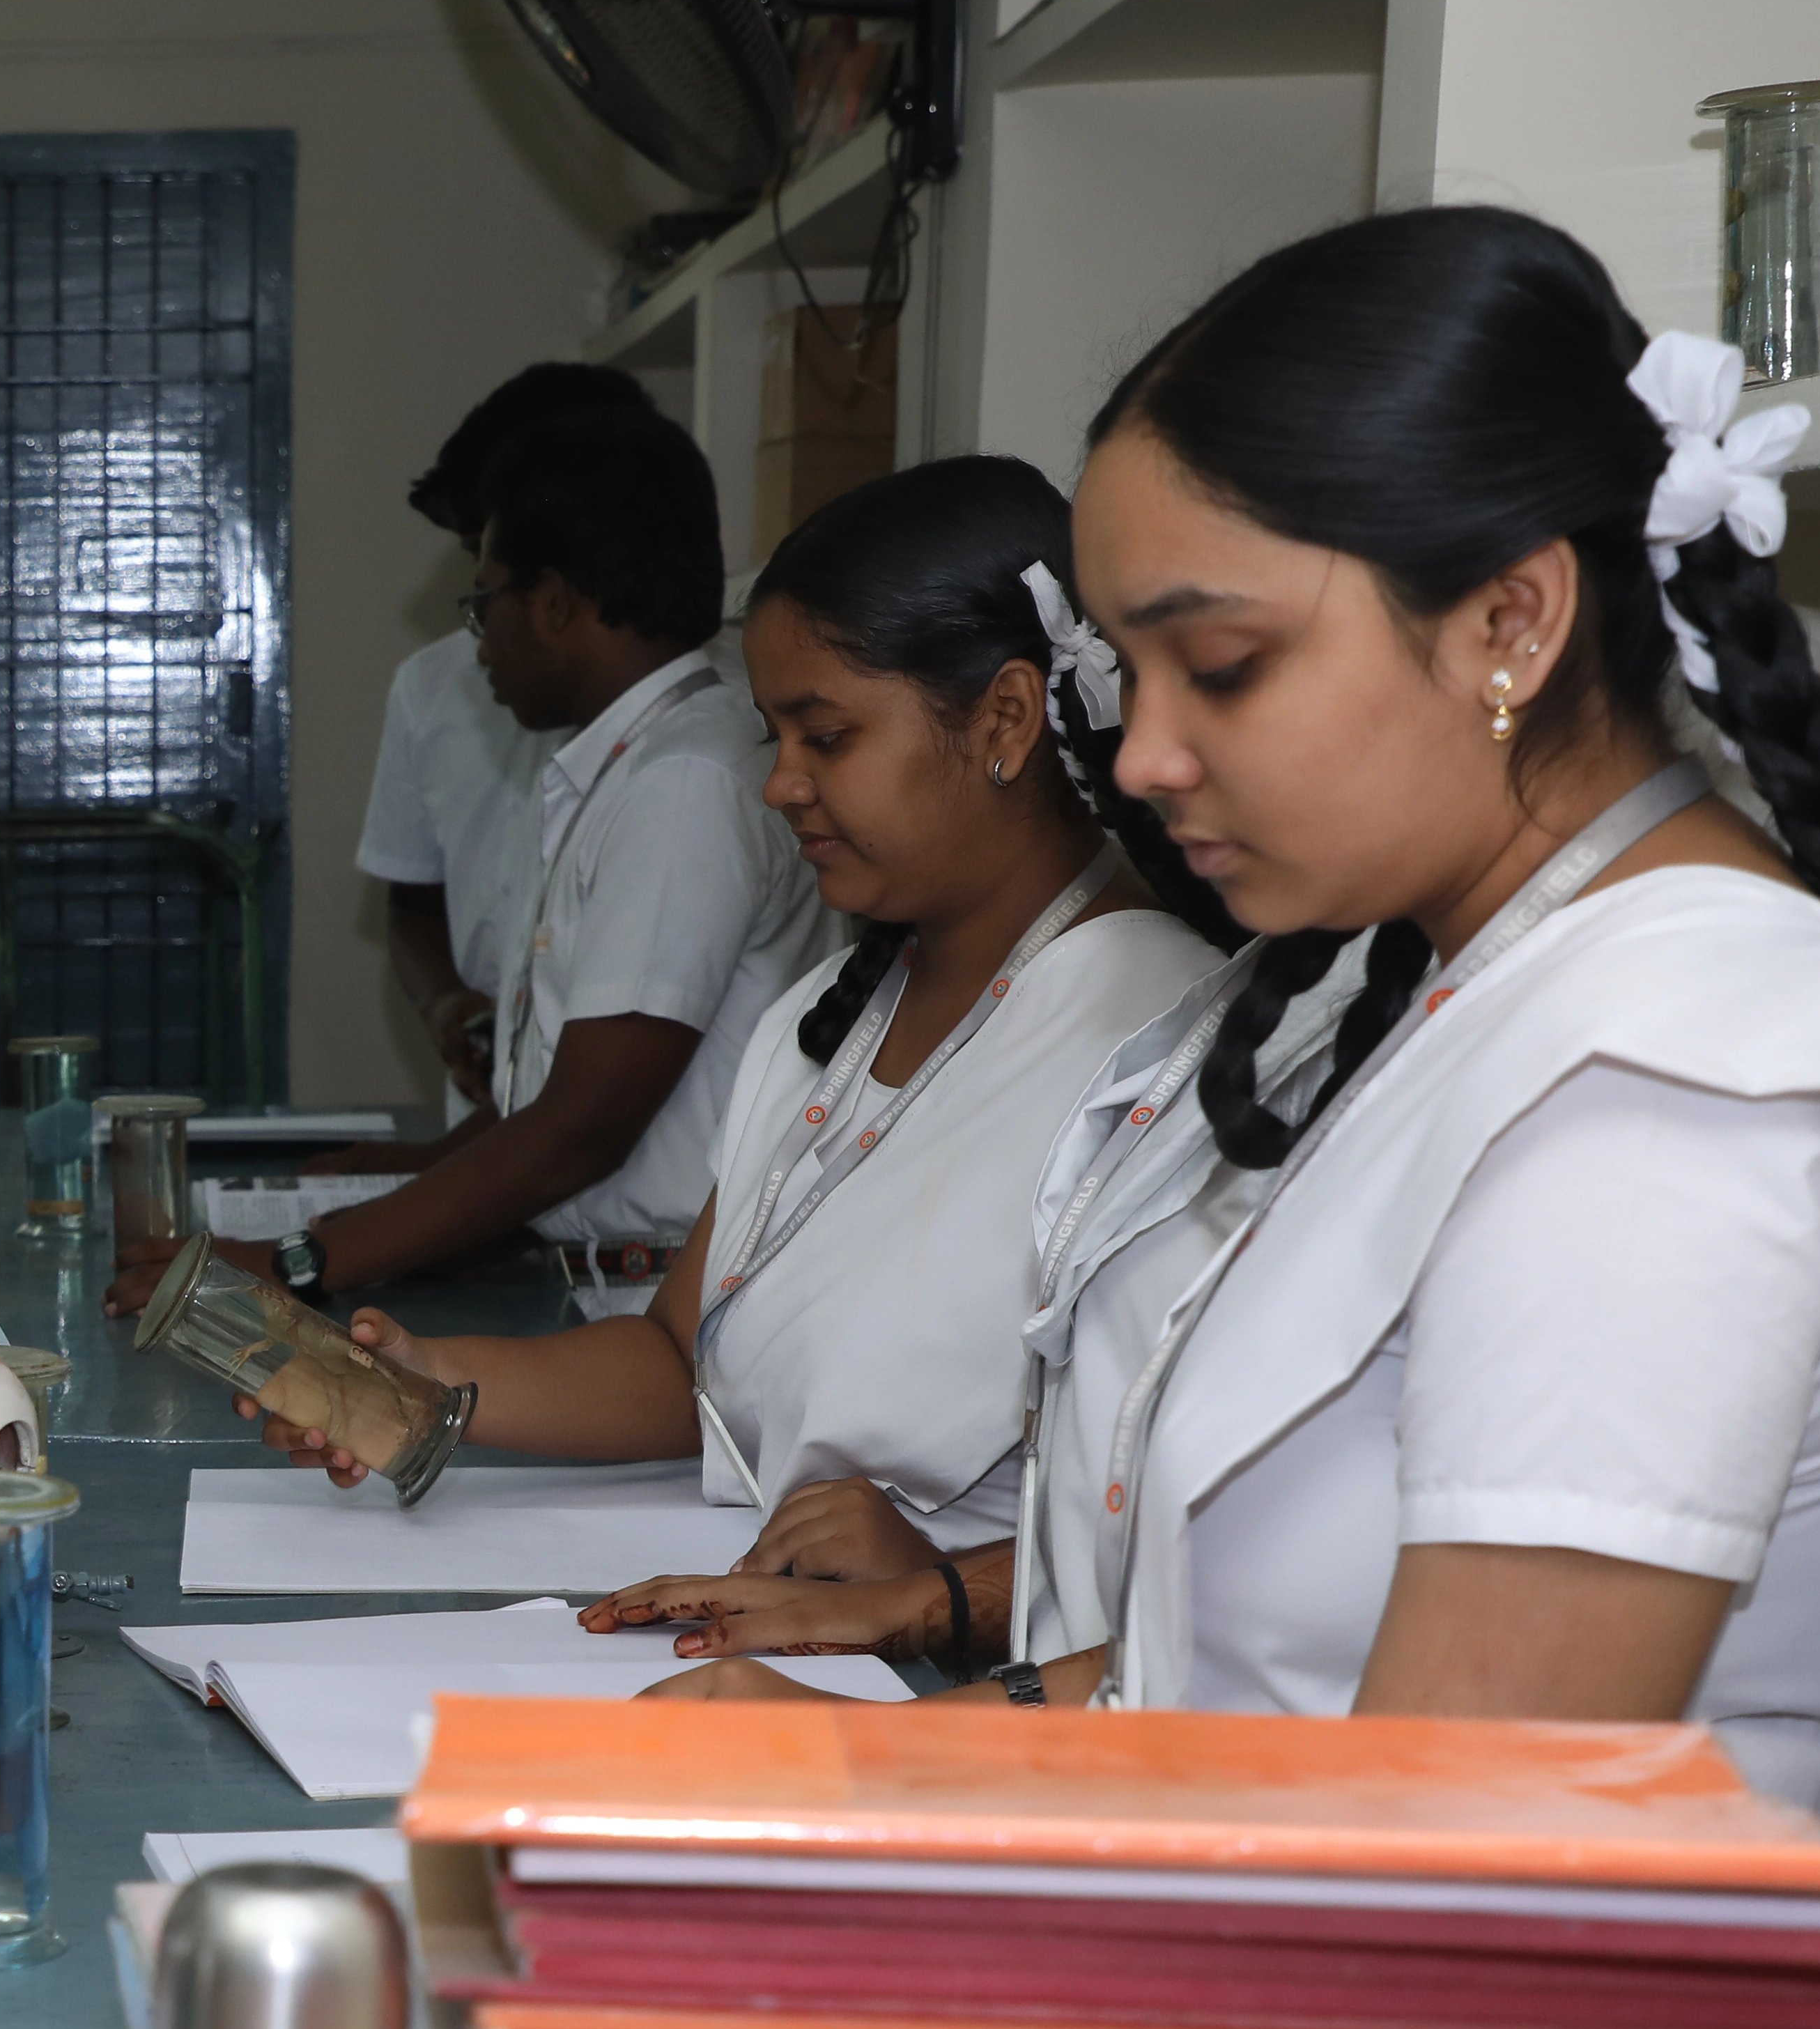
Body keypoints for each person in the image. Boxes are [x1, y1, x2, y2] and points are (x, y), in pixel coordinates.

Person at [594, 208, 1820, 2014]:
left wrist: (868, 1783)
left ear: (1510, 618)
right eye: (1131, 672)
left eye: (1223, 666)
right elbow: (1247, 1675)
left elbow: (1453, 1848)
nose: (1149, 753)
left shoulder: (1681, 1082)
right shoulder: (1441, 986)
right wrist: (864, 1733)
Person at [242, 458, 1235, 1558]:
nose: (780, 784)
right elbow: (681, 1360)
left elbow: (1196, 1527)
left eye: (828, 736)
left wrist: (948, 1589)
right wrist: (430, 1380)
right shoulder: (827, 1016)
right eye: (775, 737)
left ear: (1004, 718)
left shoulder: (1164, 1037)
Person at [144, 411, 828, 1324]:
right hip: (618, 1286)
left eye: (483, 603)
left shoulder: (685, 784)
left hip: (672, 1306)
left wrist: (293, 1261)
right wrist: (414, 1178)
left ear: (554, 603)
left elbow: (582, 1128)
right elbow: (576, 1091)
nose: (478, 639)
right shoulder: (633, 766)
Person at [355, 360, 656, 1100]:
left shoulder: (691, 749)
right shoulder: (431, 686)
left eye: (496, 579)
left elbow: (590, 1122)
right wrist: (446, 1006)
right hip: (502, 1127)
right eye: (474, 571)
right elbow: (413, 903)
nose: (486, 628)